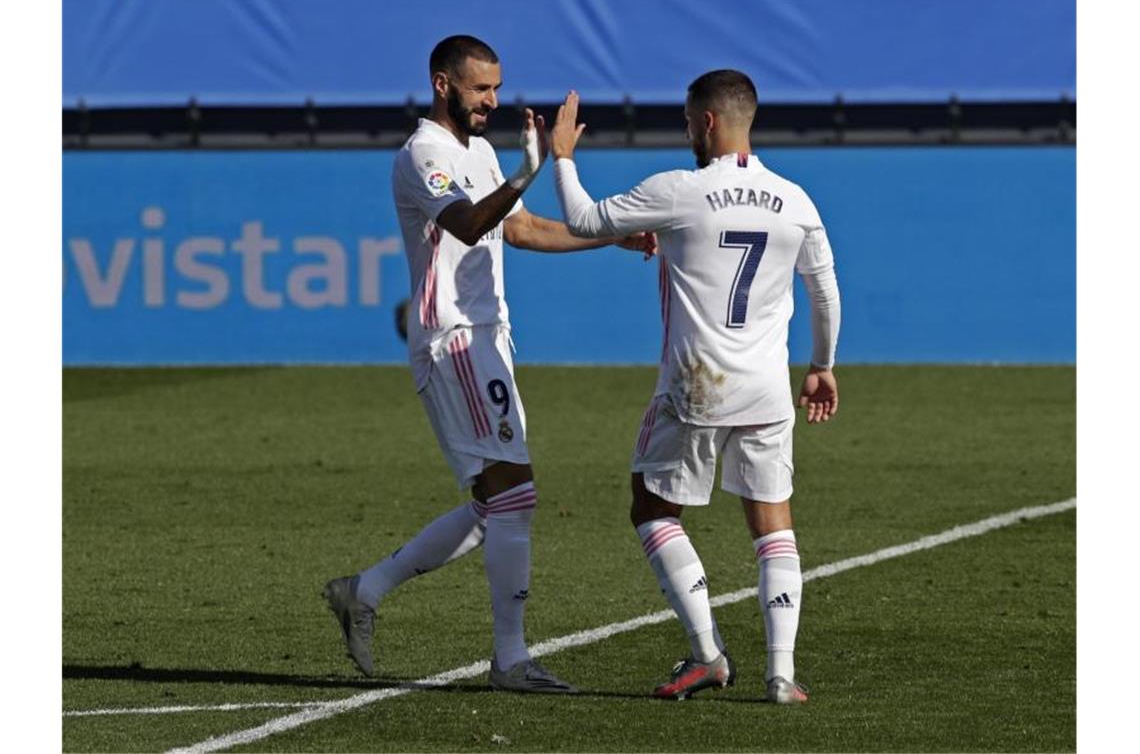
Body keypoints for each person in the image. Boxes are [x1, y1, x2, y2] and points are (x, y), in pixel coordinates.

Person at [323, 35, 653, 693]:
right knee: (515, 494)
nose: (492, 101)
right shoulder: (424, 154)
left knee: (491, 501)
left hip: (489, 339)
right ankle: (511, 659)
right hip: (455, 338)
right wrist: (528, 171)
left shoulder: (479, 151)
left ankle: (364, 590)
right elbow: (470, 225)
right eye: (480, 89)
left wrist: (609, 236)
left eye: (497, 88)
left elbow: (519, 229)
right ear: (443, 84)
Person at [549, 70, 841, 704]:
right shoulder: (795, 199)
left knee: (652, 507)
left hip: (696, 386)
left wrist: (563, 158)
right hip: (767, 390)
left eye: (688, 121)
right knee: (772, 524)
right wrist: (821, 364)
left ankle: (708, 654)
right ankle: (782, 674)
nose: (687, 132)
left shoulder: (680, 190)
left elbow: (582, 218)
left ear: (706, 121)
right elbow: (824, 290)